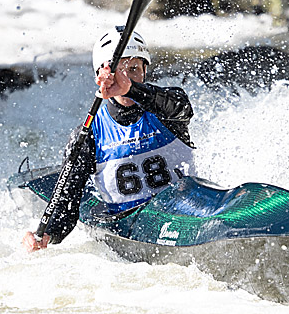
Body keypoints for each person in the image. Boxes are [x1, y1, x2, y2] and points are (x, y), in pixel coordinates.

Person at [23, 26, 195, 252]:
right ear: (100, 77)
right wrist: (45, 235)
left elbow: (183, 108)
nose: (126, 77)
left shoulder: (166, 109)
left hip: (187, 215)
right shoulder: (89, 135)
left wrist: (130, 89)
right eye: (118, 71)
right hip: (133, 226)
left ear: (145, 71)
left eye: (134, 69)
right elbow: (67, 205)